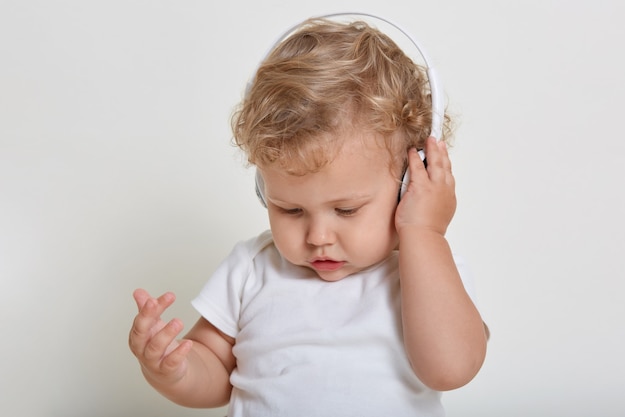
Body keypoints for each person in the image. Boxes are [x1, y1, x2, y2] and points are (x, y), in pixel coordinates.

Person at [129, 16, 488, 417]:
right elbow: (215, 372)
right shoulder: (252, 267)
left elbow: (451, 369)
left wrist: (424, 231)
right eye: (291, 209)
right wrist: (175, 370)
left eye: (346, 209)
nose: (318, 235)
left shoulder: (425, 268)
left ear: (410, 183)